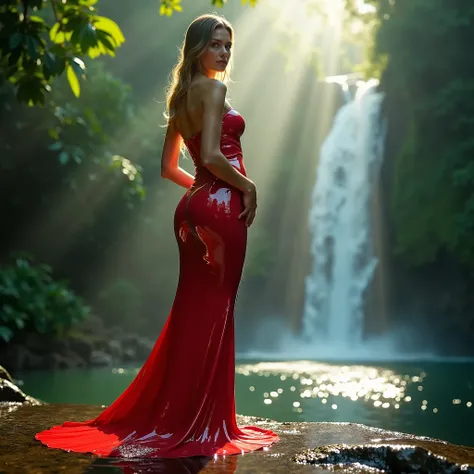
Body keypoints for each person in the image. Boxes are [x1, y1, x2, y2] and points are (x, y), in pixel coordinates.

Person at [35, 13, 280, 459]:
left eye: (228, 45)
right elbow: (210, 154)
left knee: (192, 309)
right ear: (197, 48)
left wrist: (202, 193)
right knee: (218, 309)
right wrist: (245, 186)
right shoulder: (215, 90)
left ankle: (178, 413)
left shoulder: (180, 98)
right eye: (216, 45)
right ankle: (203, 420)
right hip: (221, 208)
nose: (224, 53)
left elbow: (170, 168)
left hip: (190, 210)